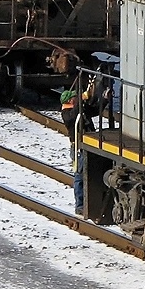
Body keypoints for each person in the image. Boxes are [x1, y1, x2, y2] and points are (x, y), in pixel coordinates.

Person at [60, 79, 102, 216]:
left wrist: (105, 99)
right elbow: (73, 117)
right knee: (79, 176)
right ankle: (79, 205)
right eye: (74, 97)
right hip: (78, 148)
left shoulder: (79, 109)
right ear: (70, 100)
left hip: (87, 144)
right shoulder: (66, 114)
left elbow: (94, 110)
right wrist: (81, 99)